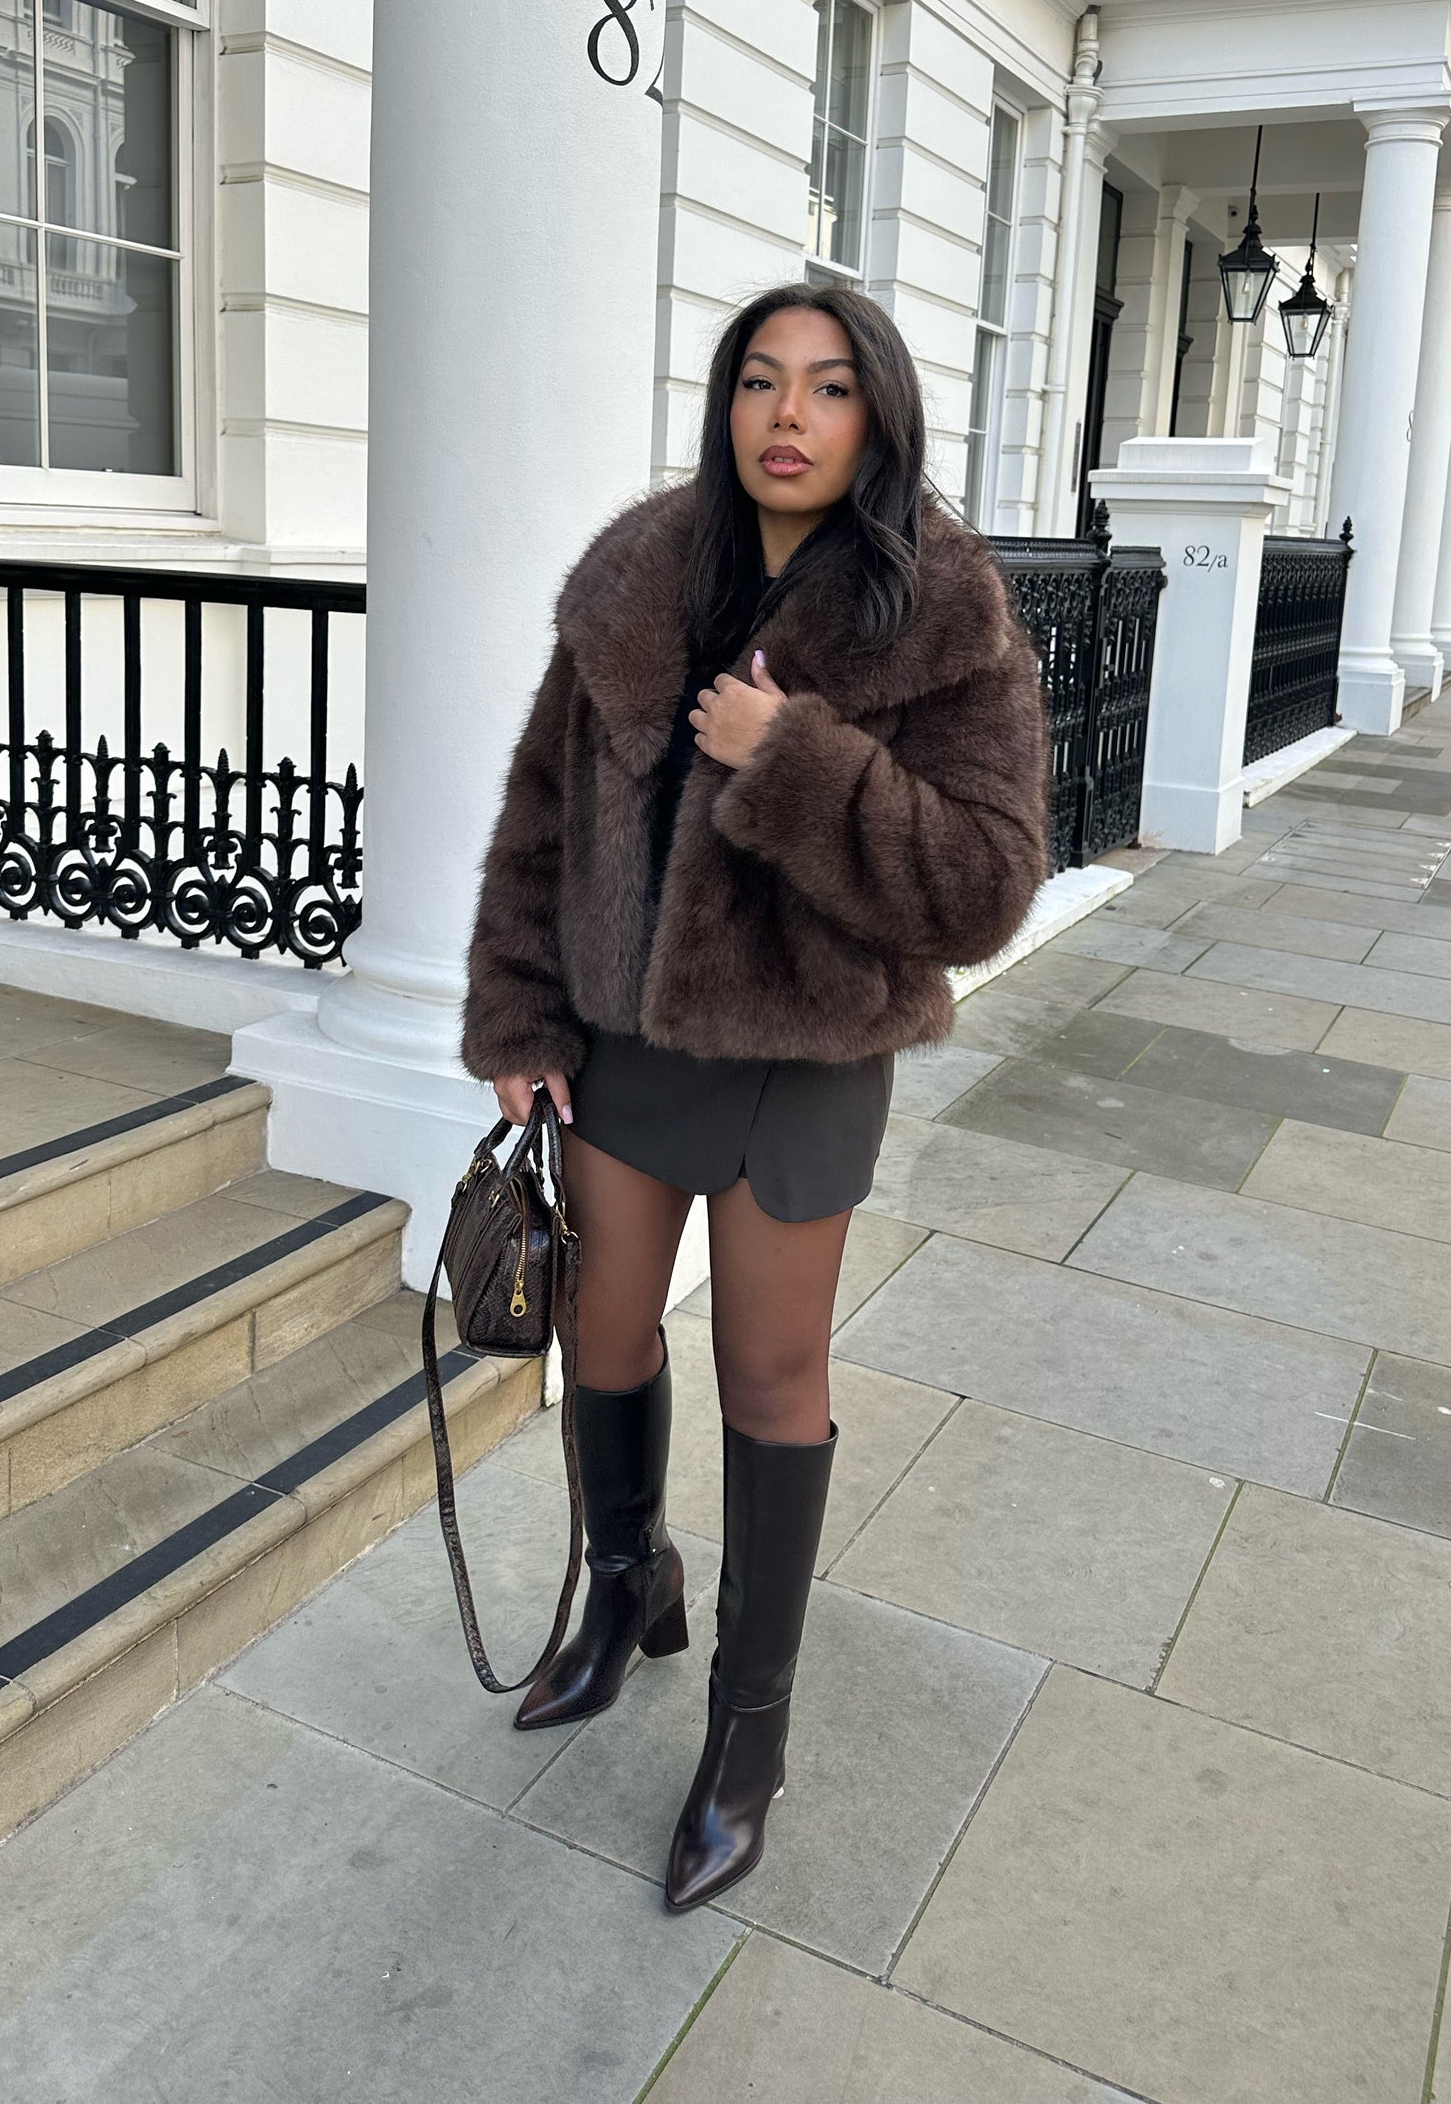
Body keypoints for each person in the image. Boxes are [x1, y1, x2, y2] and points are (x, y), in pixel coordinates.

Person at [461, 280, 1048, 1912]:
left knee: (771, 1374)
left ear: (877, 416)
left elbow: (986, 885)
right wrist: (518, 1010)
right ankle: (623, 1587)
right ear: (725, 404)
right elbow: (538, 816)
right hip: (626, 1040)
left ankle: (746, 1732)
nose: (788, 415)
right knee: (601, 1334)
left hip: (805, 1051)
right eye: (759, 381)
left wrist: (794, 755)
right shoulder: (638, 579)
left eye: (830, 386)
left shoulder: (944, 612)